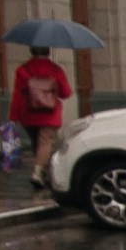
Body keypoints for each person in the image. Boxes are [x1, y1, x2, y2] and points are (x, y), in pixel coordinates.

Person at [9, 47, 74, 188]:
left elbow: (17, 94)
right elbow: (66, 93)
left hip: (28, 114)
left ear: (31, 52)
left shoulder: (23, 70)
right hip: (50, 115)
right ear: (48, 52)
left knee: (37, 144)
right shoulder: (56, 70)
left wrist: (13, 116)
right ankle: (38, 173)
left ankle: (44, 172)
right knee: (45, 143)